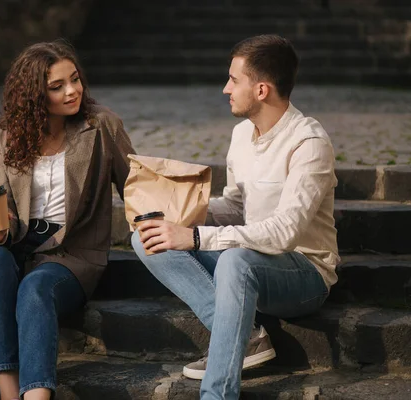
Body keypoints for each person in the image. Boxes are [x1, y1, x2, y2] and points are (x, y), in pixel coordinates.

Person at [131, 34, 340, 400]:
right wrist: (181, 214)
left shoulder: (309, 143)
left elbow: (283, 234)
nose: (225, 88)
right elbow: (237, 208)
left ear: (261, 90)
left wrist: (195, 238)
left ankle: (217, 394)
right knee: (148, 237)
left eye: (234, 80)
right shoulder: (242, 134)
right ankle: (251, 340)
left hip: (303, 275)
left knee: (235, 261)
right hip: (246, 259)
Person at [0, 40, 135, 400]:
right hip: (15, 244)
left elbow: (138, 188)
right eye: (57, 86)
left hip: (71, 254)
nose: (72, 91)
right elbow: (1, 204)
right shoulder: (8, 138)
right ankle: (8, 393)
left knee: (35, 289)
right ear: (34, 95)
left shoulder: (102, 127)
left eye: (75, 79)